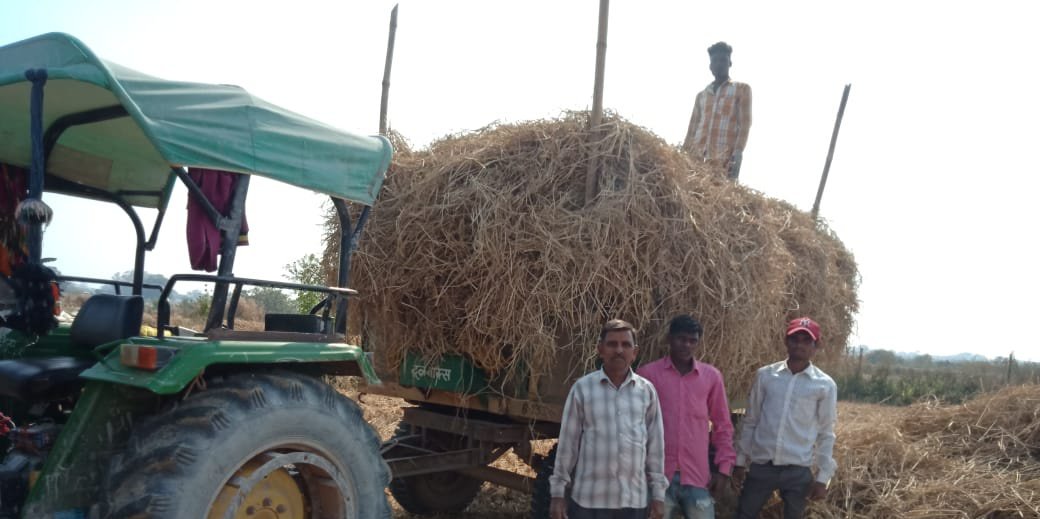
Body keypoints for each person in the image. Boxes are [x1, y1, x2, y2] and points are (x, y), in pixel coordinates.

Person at [550, 319, 668, 519]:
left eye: (626, 345)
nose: (619, 350)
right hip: (589, 502)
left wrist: (658, 496)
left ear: (635, 352)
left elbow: (655, 448)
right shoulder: (583, 389)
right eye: (612, 344)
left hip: (634, 502)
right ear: (600, 349)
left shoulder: (646, 391)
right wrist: (558, 494)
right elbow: (568, 445)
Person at [732, 317, 838, 519]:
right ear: (786, 342)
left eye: (806, 341)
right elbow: (751, 420)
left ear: (816, 346)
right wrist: (740, 461)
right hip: (762, 466)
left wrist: (823, 478)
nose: (799, 345)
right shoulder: (766, 376)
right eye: (794, 339)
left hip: (798, 470)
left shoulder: (824, 385)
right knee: (744, 514)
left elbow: (826, 432)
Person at [637, 315, 734, 519]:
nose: (687, 345)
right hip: (657, 477)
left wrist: (724, 469)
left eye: (692, 340)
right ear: (669, 339)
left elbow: (723, 425)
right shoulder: (648, 375)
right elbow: (637, 425)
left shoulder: (711, 377)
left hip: (697, 476)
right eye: (681, 339)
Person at [682, 41, 752, 180]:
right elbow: (692, 130)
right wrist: (683, 155)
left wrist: (737, 153)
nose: (719, 64)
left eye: (723, 60)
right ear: (710, 66)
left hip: (722, 162)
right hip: (695, 161)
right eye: (715, 61)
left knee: (719, 192)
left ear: (730, 63)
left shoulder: (742, 89)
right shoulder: (702, 96)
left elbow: (745, 124)